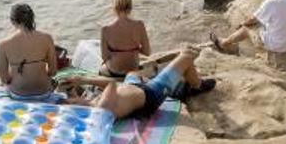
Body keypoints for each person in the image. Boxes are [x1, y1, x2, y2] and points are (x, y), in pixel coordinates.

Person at [62, 46, 215, 119]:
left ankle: (170, 77)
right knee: (187, 57)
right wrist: (82, 79)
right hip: (150, 94)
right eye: (71, 101)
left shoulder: (91, 106)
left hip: (133, 86)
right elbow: (111, 84)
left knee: (132, 72)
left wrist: (71, 88)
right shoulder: (101, 107)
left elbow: (78, 100)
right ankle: (197, 86)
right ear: (78, 107)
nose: (71, 98)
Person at [0, 4, 58, 99]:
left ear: (13, 21)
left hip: (18, 93)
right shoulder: (47, 38)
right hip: (44, 92)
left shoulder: (4, 44)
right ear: (32, 18)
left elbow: (4, 79)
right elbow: (53, 71)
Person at [99, 0, 150, 78]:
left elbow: (104, 57)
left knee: (101, 68)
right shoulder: (139, 25)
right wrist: (133, 49)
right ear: (130, 8)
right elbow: (147, 52)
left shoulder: (105, 29)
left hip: (115, 71)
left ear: (114, 9)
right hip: (133, 69)